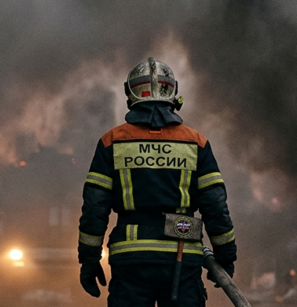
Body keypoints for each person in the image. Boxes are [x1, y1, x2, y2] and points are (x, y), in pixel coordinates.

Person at [78, 57, 237, 306]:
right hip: (181, 259)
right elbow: (215, 205)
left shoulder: (112, 142)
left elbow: (95, 207)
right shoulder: (197, 143)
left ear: (130, 94)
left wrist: (89, 259)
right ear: (173, 93)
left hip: (130, 260)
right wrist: (225, 256)